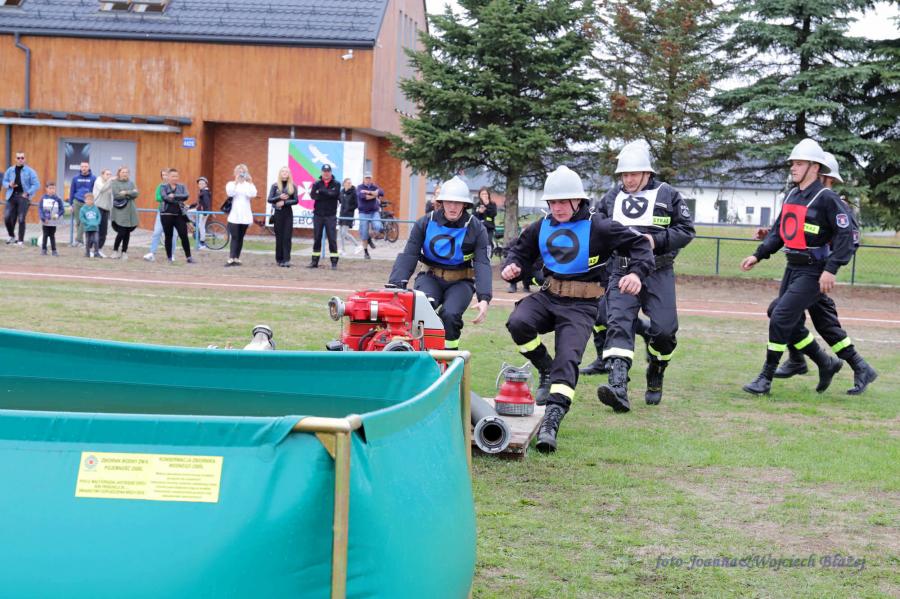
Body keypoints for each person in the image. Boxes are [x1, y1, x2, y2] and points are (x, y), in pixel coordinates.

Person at [501, 166, 653, 453]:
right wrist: (512, 266)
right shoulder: (540, 226)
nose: (557, 208)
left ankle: (551, 422)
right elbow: (519, 252)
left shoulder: (600, 227)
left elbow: (641, 246)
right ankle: (544, 367)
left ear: (578, 201)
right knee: (518, 322)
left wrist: (636, 273)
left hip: (582, 307)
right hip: (548, 297)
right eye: (552, 202)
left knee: (568, 358)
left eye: (563, 201)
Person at [740, 138, 855, 396]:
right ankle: (825, 362)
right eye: (793, 163)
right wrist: (758, 255)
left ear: (815, 167)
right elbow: (780, 231)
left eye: (799, 163)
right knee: (777, 312)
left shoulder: (827, 198)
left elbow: (846, 236)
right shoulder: (793, 195)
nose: (793, 167)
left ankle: (765, 377)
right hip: (792, 268)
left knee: (781, 316)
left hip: (814, 270)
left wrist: (831, 269)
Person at [587, 141, 696, 410]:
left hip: (658, 271)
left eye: (634, 174)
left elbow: (686, 231)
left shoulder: (668, 195)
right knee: (618, 323)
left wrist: (654, 240)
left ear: (648, 172)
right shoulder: (611, 197)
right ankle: (618, 386)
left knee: (664, 332)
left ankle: (656, 370)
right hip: (622, 270)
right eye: (624, 174)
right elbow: (595, 228)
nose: (629, 179)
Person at [769, 151, 877, 395]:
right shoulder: (806, 200)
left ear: (826, 177)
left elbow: (851, 239)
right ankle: (847, 365)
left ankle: (810, 361)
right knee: (821, 323)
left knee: (789, 315)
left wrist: (829, 267)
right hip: (806, 272)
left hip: (818, 274)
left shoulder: (836, 204)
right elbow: (799, 229)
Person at [388, 175, 491, 350]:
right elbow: (410, 255)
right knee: (422, 310)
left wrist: (484, 298)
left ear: (465, 204)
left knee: (450, 315)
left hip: (461, 282)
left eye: (457, 203)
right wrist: (395, 287)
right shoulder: (424, 223)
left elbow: (482, 263)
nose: (453, 207)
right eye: (449, 202)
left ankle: (449, 357)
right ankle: (419, 354)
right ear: (441, 202)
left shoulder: (476, 228)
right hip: (430, 277)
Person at [2, 151, 40, 246]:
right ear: (15, 159)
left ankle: (20, 241)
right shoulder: (10, 170)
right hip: (11, 196)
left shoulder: (30, 171)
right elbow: (4, 181)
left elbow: (36, 184)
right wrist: (9, 184)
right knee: (7, 217)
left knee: (21, 218)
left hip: (23, 197)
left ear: (25, 159)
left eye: (22, 158)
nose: (20, 160)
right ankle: (12, 236)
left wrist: (28, 192)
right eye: (18, 158)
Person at [159, 168, 194, 264]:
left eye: (176, 176)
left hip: (179, 214)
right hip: (166, 214)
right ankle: (169, 258)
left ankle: (189, 257)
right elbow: (165, 198)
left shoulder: (182, 186)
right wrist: (179, 198)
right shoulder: (163, 187)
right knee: (168, 236)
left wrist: (174, 196)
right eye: (173, 176)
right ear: (168, 177)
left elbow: (186, 196)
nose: (175, 178)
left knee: (184, 235)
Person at [308, 164, 340, 269]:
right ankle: (314, 261)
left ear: (331, 172)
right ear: (321, 172)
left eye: (328, 171)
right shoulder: (316, 183)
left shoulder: (336, 183)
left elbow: (334, 194)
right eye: (324, 171)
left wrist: (321, 191)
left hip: (331, 215)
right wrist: (328, 193)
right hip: (318, 215)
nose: (326, 173)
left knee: (332, 239)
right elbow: (313, 196)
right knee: (317, 238)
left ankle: (334, 262)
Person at [224, 164, 256, 267]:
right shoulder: (231, 184)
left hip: (245, 215)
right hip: (234, 215)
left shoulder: (248, 185)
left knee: (241, 237)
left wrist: (250, 182)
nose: (241, 174)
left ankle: (237, 258)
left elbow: (252, 194)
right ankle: (231, 258)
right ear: (235, 173)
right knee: (234, 236)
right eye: (239, 172)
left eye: (243, 172)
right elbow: (230, 193)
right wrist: (236, 182)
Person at [268, 166, 298, 267]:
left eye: (286, 172)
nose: (284, 173)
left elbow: (296, 200)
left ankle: (286, 260)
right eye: (283, 171)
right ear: (280, 173)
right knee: (279, 237)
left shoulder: (293, 186)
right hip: (278, 214)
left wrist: (284, 202)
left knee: (287, 237)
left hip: (288, 214)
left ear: (289, 174)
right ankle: (279, 259)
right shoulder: (275, 186)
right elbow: (269, 199)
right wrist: (279, 197)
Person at [143, 169, 175, 262]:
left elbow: (178, 197)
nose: (165, 176)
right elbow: (157, 198)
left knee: (172, 235)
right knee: (156, 232)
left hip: (173, 213)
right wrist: (168, 197)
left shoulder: (176, 186)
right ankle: (152, 253)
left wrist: (167, 197)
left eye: (166, 174)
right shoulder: (160, 186)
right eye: (163, 175)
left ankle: (171, 255)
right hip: (161, 212)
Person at [110, 166, 139, 260]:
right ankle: (115, 251)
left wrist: (125, 192)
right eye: (123, 172)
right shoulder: (115, 183)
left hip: (130, 211)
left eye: (126, 172)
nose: (124, 174)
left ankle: (124, 252)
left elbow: (136, 194)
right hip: (120, 211)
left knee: (127, 233)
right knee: (121, 232)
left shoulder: (131, 183)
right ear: (119, 173)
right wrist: (130, 193)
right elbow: (116, 195)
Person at [357, 172, 384, 259]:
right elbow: (363, 197)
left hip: (374, 212)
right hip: (363, 213)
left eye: (369, 178)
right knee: (364, 233)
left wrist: (368, 192)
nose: (368, 180)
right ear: (363, 179)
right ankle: (366, 252)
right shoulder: (359, 187)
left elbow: (382, 192)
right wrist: (375, 195)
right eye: (366, 178)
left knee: (378, 227)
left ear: (371, 179)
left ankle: (370, 237)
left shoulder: (374, 186)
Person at [68, 161, 96, 247]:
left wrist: (92, 202)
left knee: (84, 221)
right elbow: (72, 191)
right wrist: (70, 204)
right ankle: (81, 242)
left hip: (87, 203)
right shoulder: (75, 178)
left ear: (89, 167)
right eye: (82, 166)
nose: (84, 168)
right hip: (77, 202)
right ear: (80, 167)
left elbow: (94, 191)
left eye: (86, 166)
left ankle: (77, 240)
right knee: (78, 222)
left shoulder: (93, 178)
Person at [38, 181, 64, 256]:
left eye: (53, 188)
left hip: (53, 222)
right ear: (46, 189)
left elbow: (62, 209)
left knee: (52, 235)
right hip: (45, 222)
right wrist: (43, 218)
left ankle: (54, 250)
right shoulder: (43, 198)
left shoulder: (58, 199)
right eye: (50, 188)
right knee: (45, 235)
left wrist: (57, 215)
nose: (52, 190)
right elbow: (40, 209)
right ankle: (44, 249)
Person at [92, 168, 113, 257]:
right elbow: (102, 189)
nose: (109, 176)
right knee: (96, 230)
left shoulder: (110, 183)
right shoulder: (98, 181)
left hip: (106, 209)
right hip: (97, 208)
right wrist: (110, 181)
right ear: (102, 175)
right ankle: (92, 249)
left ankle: (99, 249)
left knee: (103, 231)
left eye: (110, 174)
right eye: (107, 174)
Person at [338, 177, 360, 255]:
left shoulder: (354, 192)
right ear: (344, 184)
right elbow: (340, 201)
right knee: (340, 233)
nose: (349, 184)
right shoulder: (341, 192)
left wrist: (349, 208)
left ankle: (357, 245)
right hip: (342, 214)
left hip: (349, 215)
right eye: (348, 183)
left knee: (344, 233)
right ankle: (342, 250)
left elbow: (356, 204)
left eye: (350, 183)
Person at [474, 186, 498, 253]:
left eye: (486, 194)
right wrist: (479, 212)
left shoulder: (492, 204)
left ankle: (488, 255)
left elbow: (494, 214)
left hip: (489, 228)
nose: (484, 195)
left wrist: (487, 205)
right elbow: (473, 216)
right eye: (482, 194)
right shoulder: (476, 205)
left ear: (488, 195)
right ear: (479, 195)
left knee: (488, 243)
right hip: (478, 228)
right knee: (478, 243)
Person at [79, 193, 102, 258]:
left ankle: (96, 253)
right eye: (88, 199)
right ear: (85, 200)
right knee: (88, 241)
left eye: (91, 199)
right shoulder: (83, 209)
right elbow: (81, 218)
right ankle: (87, 253)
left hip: (95, 228)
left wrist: (97, 222)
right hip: (87, 228)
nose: (89, 201)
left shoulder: (96, 208)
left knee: (96, 240)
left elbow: (99, 216)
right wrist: (87, 223)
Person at [194, 176, 212, 250]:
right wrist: (190, 206)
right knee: (189, 212)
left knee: (201, 226)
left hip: (203, 211)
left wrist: (205, 212)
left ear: (206, 184)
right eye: (199, 183)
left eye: (202, 183)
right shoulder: (202, 191)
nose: (200, 185)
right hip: (200, 211)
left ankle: (202, 243)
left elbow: (207, 203)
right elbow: (198, 203)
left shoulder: (205, 192)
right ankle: (194, 224)